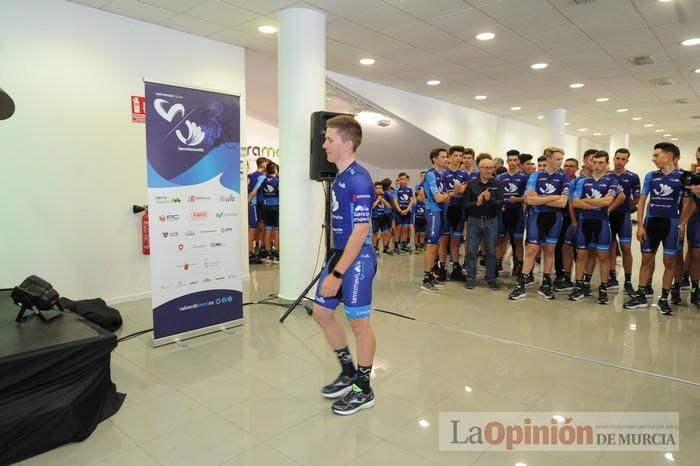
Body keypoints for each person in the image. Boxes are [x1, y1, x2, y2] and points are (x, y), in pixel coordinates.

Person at [312, 115, 377, 415]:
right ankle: (349, 371)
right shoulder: (340, 175)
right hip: (339, 255)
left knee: (358, 324)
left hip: (357, 259)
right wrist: (335, 266)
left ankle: (363, 389)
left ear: (347, 144)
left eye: (329, 139)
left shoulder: (359, 178)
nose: (323, 144)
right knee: (322, 313)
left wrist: (337, 274)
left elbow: (361, 231)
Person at [624, 142, 694, 315]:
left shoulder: (684, 176)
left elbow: (689, 204)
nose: (653, 159)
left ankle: (664, 298)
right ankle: (641, 294)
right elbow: (642, 201)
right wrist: (640, 225)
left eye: (656, 155)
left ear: (669, 156)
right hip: (651, 222)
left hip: (671, 224)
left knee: (670, 262)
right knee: (646, 259)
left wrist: (682, 224)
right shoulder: (651, 176)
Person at [508, 148, 569, 300]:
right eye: (557, 159)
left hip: (555, 218)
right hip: (536, 217)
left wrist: (541, 198)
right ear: (548, 159)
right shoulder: (535, 176)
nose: (560, 162)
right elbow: (529, 200)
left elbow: (562, 203)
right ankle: (521, 285)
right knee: (532, 250)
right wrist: (553, 197)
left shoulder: (564, 178)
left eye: (561, 159)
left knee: (549, 251)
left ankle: (546, 283)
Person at [567, 151, 620, 304]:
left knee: (602, 257)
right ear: (590, 163)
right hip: (584, 223)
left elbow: (608, 201)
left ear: (606, 164)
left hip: (602, 223)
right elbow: (575, 203)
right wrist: (597, 202)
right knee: (581, 256)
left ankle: (603, 289)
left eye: (601, 163)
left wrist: (587, 201)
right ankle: (579, 287)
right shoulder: (582, 182)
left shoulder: (611, 180)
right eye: (594, 162)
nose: (597, 166)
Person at [463, 157, 503, 289]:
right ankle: (470, 277)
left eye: (491, 168)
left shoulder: (497, 184)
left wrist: (490, 199)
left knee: (491, 252)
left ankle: (491, 278)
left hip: (491, 221)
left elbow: (500, 204)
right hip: (474, 221)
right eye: (486, 168)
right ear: (479, 169)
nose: (489, 170)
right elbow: (466, 205)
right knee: (472, 251)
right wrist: (477, 203)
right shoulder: (471, 184)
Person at [607, 148, 640, 296]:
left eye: (623, 159)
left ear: (627, 161)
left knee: (626, 248)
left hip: (624, 217)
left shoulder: (633, 177)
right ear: (613, 159)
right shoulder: (606, 175)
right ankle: (612, 277)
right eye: (617, 158)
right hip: (608, 216)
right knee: (611, 248)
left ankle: (627, 281)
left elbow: (638, 198)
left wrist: (627, 207)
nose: (619, 161)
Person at [421, 148, 450, 292]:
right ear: (435, 159)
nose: (446, 159)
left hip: (440, 211)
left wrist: (446, 195)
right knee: (432, 245)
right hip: (433, 211)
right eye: (443, 157)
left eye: (446, 157)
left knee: (437, 244)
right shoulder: (431, 175)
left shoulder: (441, 174)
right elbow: (439, 197)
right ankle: (426, 278)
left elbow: (445, 196)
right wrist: (447, 195)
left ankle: (432, 274)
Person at [445, 146, 468, 280]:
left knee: (456, 239)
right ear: (450, 156)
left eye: (460, 156)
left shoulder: (464, 174)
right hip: (446, 208)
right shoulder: (443, 173)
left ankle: (455, 266)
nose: (458, 158)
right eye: (456, 155)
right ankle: (441, 266)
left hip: (459, 209)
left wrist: (462, 189)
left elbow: (464, 191)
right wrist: (453, 192)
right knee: (443, 240)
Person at [246, 157, 269, 264]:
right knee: (252, 229)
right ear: (263, 164)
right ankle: (249, 253)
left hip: (258, 206)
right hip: (253, 205)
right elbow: (252, 192)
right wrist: (248, 203)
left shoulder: (252, 175)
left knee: (260, 227)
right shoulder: (259, 177)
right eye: (267, 164)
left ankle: (256, 250)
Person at [260, 162, 280, 262]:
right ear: (275, 170)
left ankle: (267, 254)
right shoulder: (278, 180)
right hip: (276, 208)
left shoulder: (263, 181)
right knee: (276, 231)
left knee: (267, 230)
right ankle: (277, 253)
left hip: (266, 208)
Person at [393, 172, 414, 253]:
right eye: (400, 179)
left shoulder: (409, 190)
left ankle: (404, 245)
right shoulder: (396, 190)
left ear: (407, 180)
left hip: (407, 212)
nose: (402, 181)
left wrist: (407, 210)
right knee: (398, 229)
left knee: (405, 229)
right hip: (399, 212)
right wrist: (400, 210)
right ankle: (396, 245)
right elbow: (395, 201)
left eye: (403, 179)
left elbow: (412, 200)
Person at [371, 181, 392, 255]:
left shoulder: (385, 195)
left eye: (380, 188)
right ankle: (375, 248)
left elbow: (389, 206)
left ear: (382, 189)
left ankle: (385, 248)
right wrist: (378, 200)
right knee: (375, 233)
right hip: (375, 217)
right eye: (376, 188)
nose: (378, 189)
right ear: (374, 189)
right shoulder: (373, 196)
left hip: (383, 217)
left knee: (385, 233)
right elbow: (372, 206)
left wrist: (383, 200)